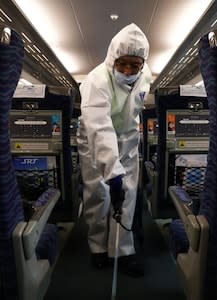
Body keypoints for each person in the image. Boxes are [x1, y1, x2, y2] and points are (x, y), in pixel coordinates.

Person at [76, 23, 151, 277]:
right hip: (93, 139)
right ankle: (98, 246)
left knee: (128, 194)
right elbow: (99, 127)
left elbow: (134, 116)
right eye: (123, 64)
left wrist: (123, 166)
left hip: (128, 139)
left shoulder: (145, 77)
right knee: (99, 193)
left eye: (134, 65)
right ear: (112, 60)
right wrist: (112, 170)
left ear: (142, 64)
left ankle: (123, 249)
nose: (128, 70)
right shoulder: (95, 81)